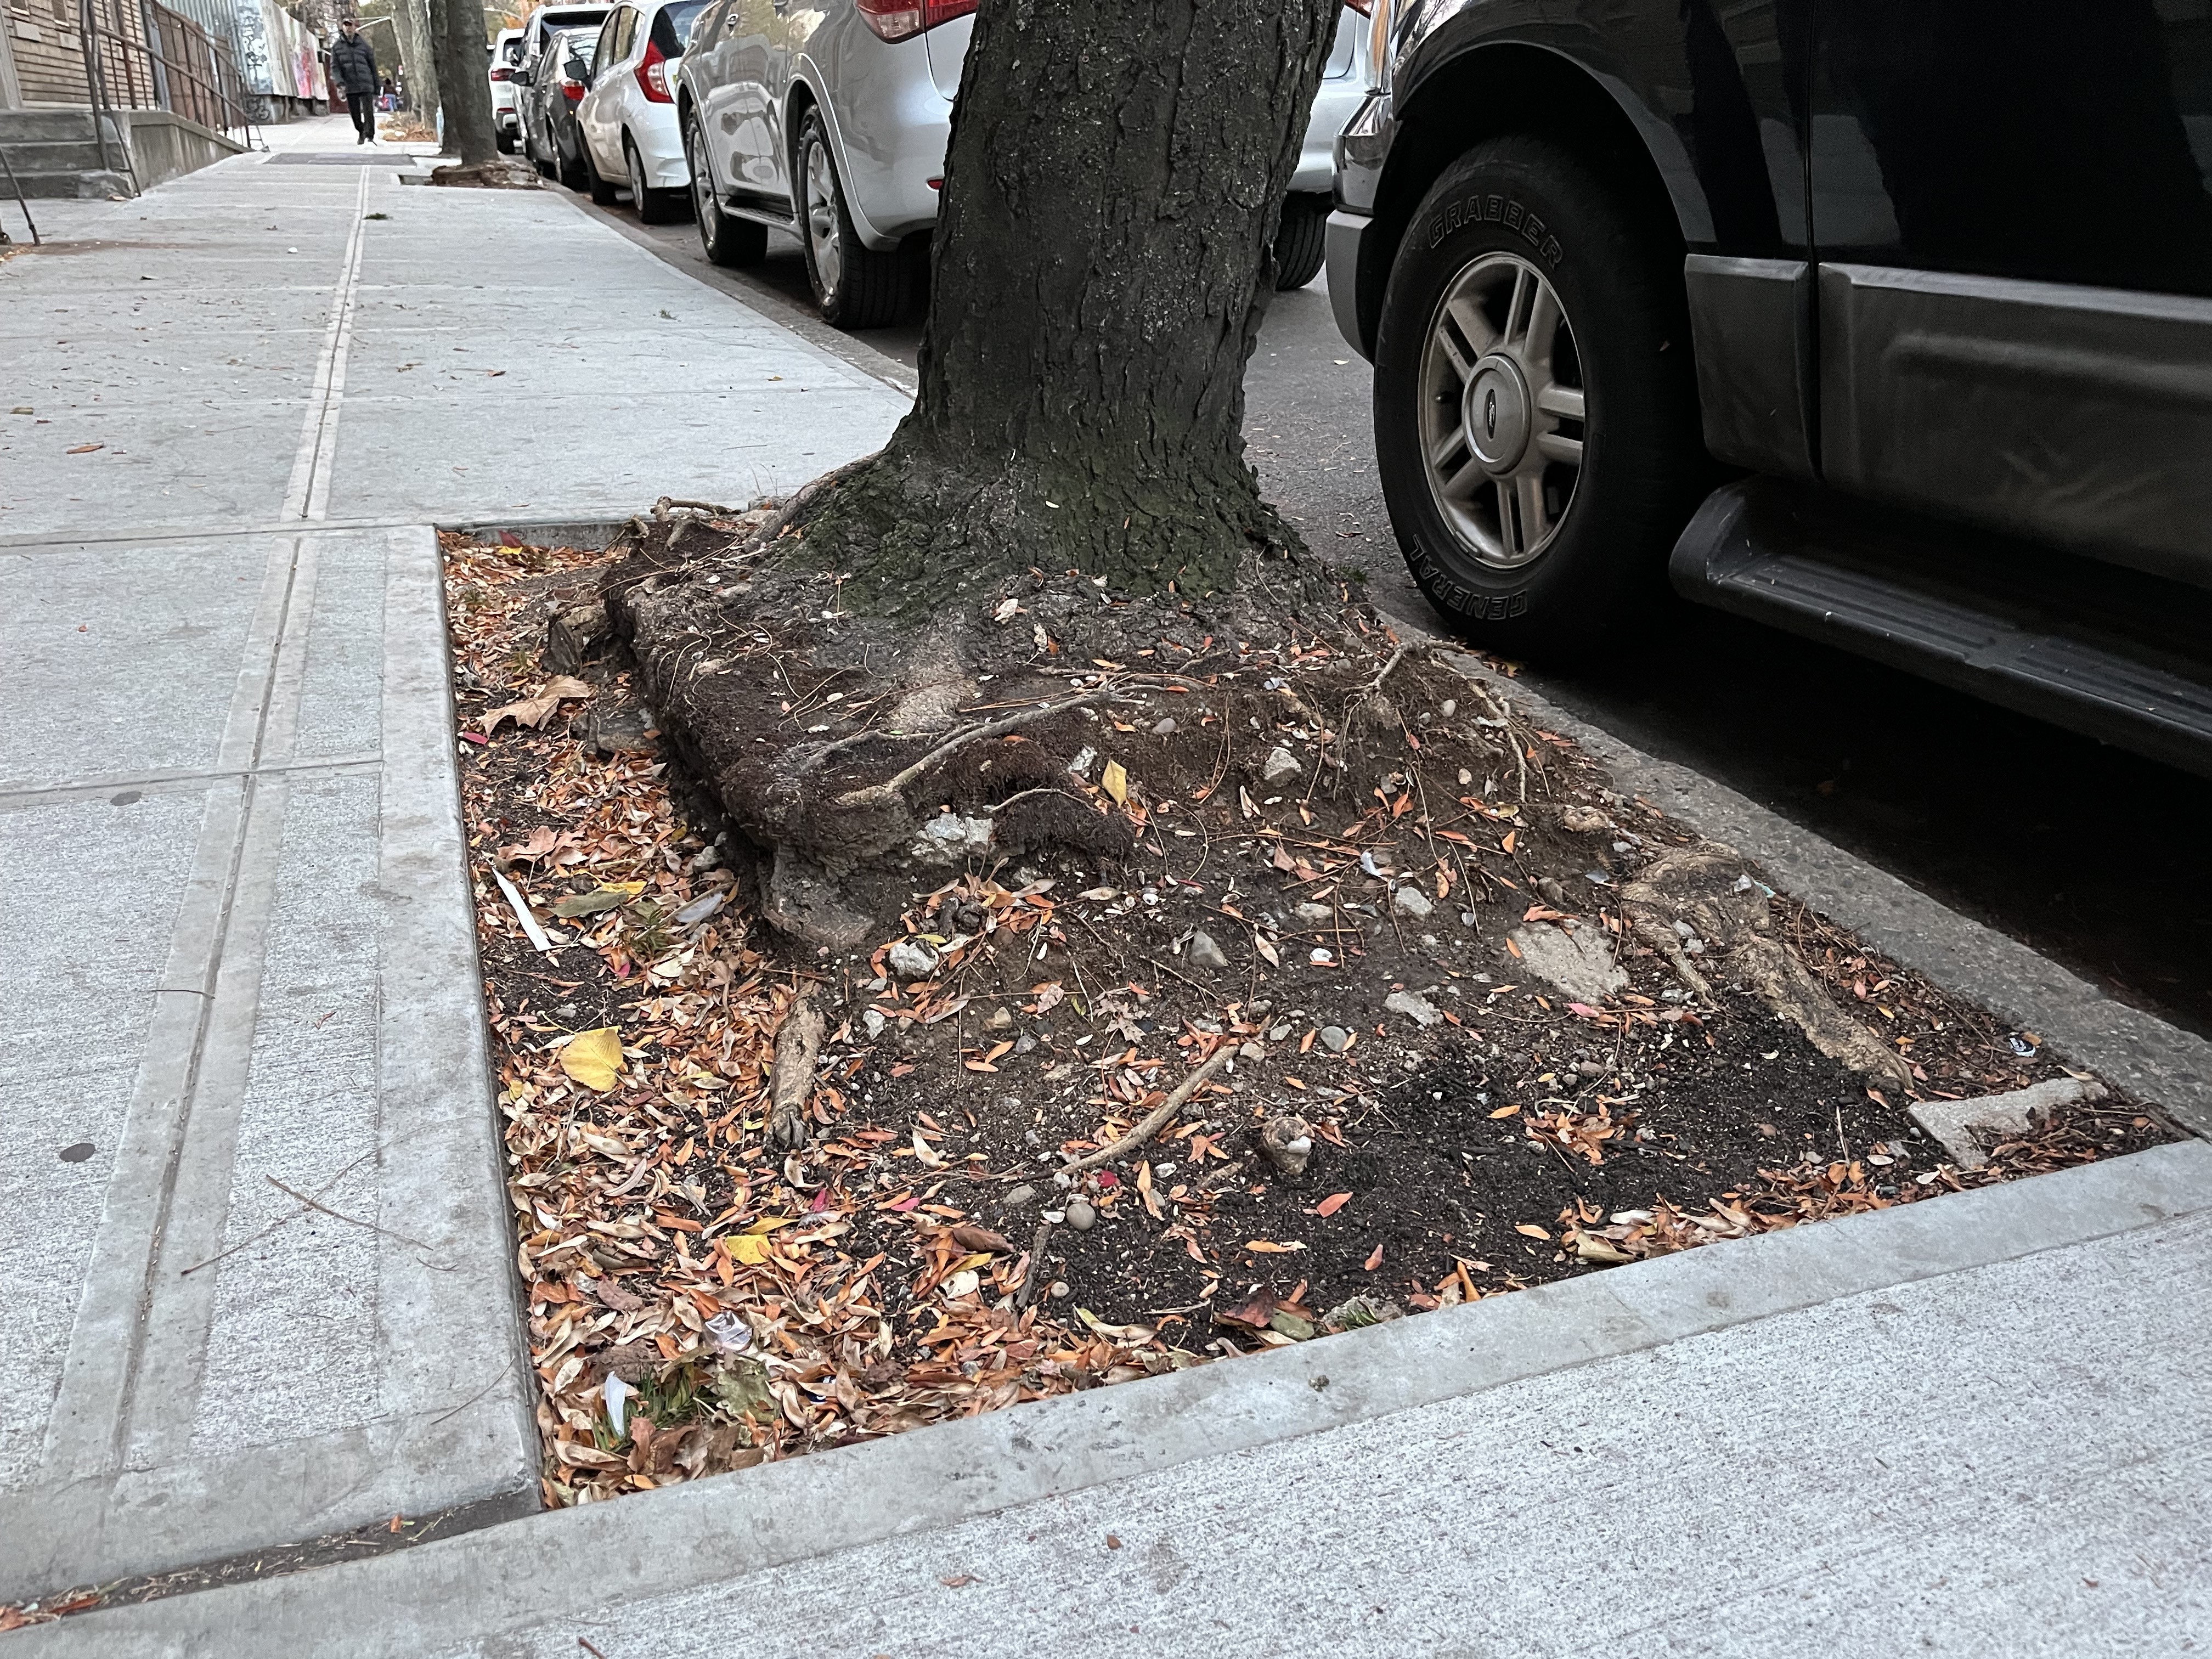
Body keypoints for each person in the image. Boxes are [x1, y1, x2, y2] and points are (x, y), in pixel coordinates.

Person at [329, 19, 380, 145]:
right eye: (345, 25)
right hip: (350, 85)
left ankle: (370, 135)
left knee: (369, 112)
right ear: (343, 28)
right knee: (355, 113)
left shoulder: (364, 46)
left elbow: (373, 67)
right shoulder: (337, 47)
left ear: (354, 27)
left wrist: (377, 86)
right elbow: (335, 67)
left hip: (365, 83)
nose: (348, 28)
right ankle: (361, 130)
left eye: (350, 25)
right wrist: (340, 82)